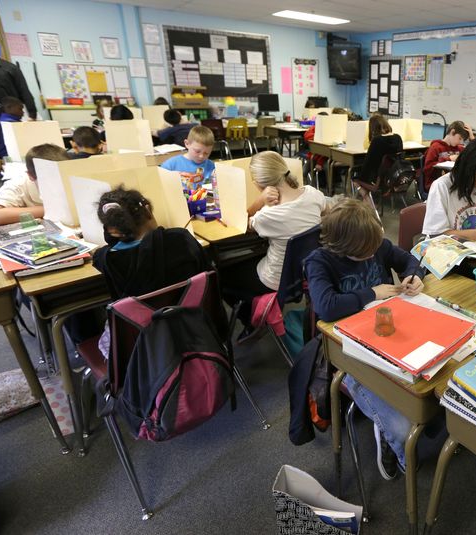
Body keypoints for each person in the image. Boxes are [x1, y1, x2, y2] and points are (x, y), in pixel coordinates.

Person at [305, 198, 435, 480]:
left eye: (374, 249)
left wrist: (414, 274)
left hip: (390, 337)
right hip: (350, 353)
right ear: (342, 248)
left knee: (430, 384)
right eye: (364, 254)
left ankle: (400, 431)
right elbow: (326, 306)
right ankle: (395, 446)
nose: (372, 255)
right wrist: (372, 293)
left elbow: (409, 259)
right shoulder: (320, 261)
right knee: (401, 429)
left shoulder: (375, 245)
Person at [93, 186, 211, 357]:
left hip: (145, 346)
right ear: (147, 210)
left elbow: (99, 254)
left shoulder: (106, 259)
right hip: (197, 330)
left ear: (111, 230)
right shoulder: (182, 238)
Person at [219, 151, 325, 328]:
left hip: (274, 279)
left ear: (258, 184)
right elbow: (324, 211)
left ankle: (251, 320)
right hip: (304, 271)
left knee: (220, 274)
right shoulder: (313, 194)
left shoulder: (268, 215)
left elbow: (240, 223)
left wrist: (260, 200)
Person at [422, 136, 476, 245]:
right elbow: (436, 235)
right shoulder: (441, 186)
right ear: (465, 167)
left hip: (475, 249)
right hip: (443, 249)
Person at [0, 33, 37, 157]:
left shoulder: (10, 68)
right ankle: (1, 173)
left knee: (13, 146)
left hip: (9, 113)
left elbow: (23, 90)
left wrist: (32, 114)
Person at [0, 143, 69, 226]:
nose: (58, 185)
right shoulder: (19, 184)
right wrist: (51, 209)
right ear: (30, 176)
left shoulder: (71, 176)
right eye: (49, 181)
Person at [422, 120, 473, 191]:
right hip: (436, 185)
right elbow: (427, 169)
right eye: (460, 138)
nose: (460, 142)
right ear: (452, 132)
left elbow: (475, 155)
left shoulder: (460, 149)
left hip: (453, 183)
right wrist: (448, 159)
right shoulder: (435, 147)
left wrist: (472, 138)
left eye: (462, 140)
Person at [358, 113, 402, 186]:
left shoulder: (377, 141)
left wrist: (360, 178)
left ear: (373, 128)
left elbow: (368, 164)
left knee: (355, 178)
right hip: (394, 175)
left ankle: (366, 197)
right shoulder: (398, 138)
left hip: (377, 178)